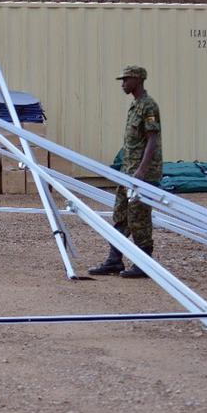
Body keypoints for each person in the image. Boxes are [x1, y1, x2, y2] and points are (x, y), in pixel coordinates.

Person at [89, 65, 162, 278]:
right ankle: (114, 259)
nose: (123, 84)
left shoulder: (148, 106)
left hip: (142, 174)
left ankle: (144, 262)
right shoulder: (135, 106)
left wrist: (142, 170)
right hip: (127, 171)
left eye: (126, 80)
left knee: (139, 216)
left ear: (137, 80)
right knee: (120, 213)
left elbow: (152, 140)